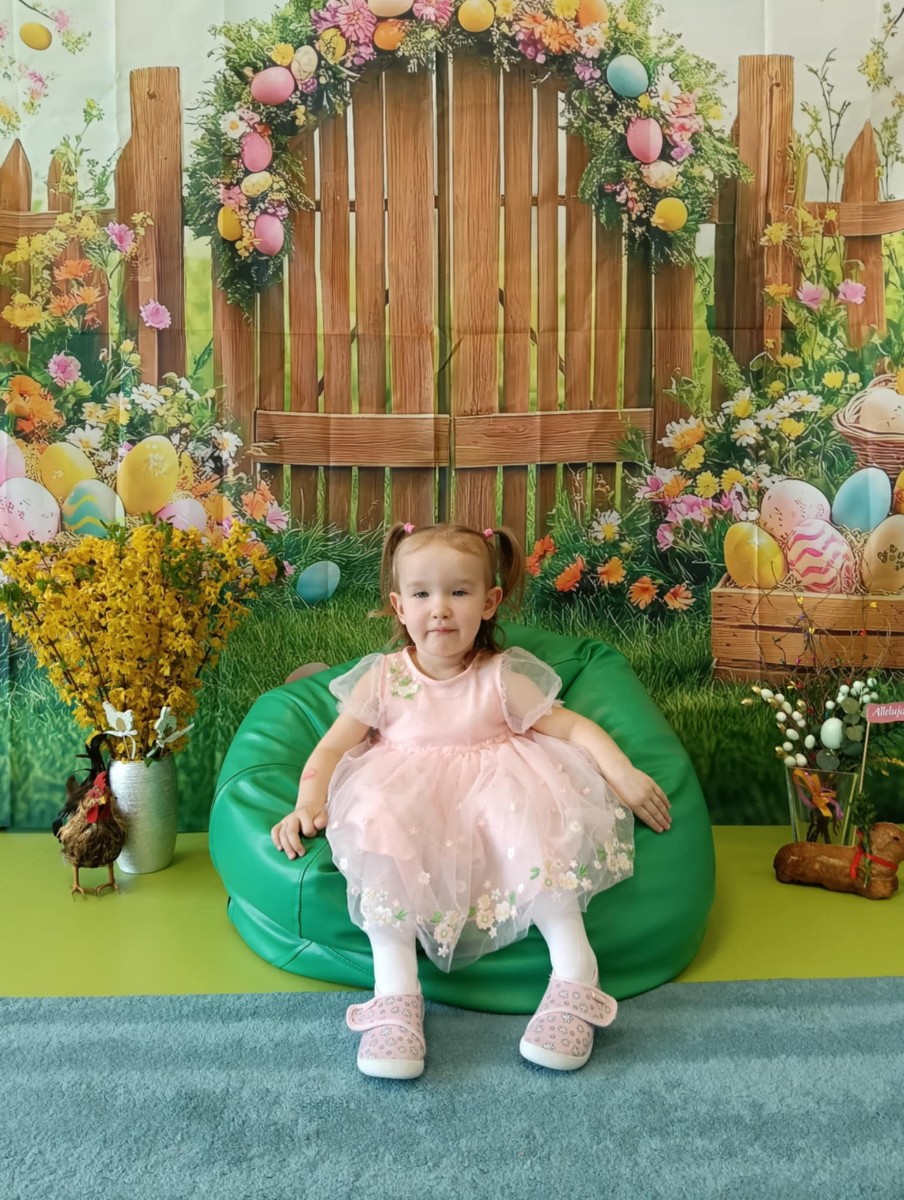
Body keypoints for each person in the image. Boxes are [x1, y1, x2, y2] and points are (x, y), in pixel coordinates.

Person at [271, 522, 671, 1079]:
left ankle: (576, 974)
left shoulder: (501, 676)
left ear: (489, 602)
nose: (439, 609)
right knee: (378, 823)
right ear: (399, 606)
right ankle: (395, 995)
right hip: (408, 797)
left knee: (530, 821)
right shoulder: (384, 679)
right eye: (421, 594)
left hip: (497, 790)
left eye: (458, 592)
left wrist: (622, 773)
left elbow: (574, 728)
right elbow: (333, 746)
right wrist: (307, 800)